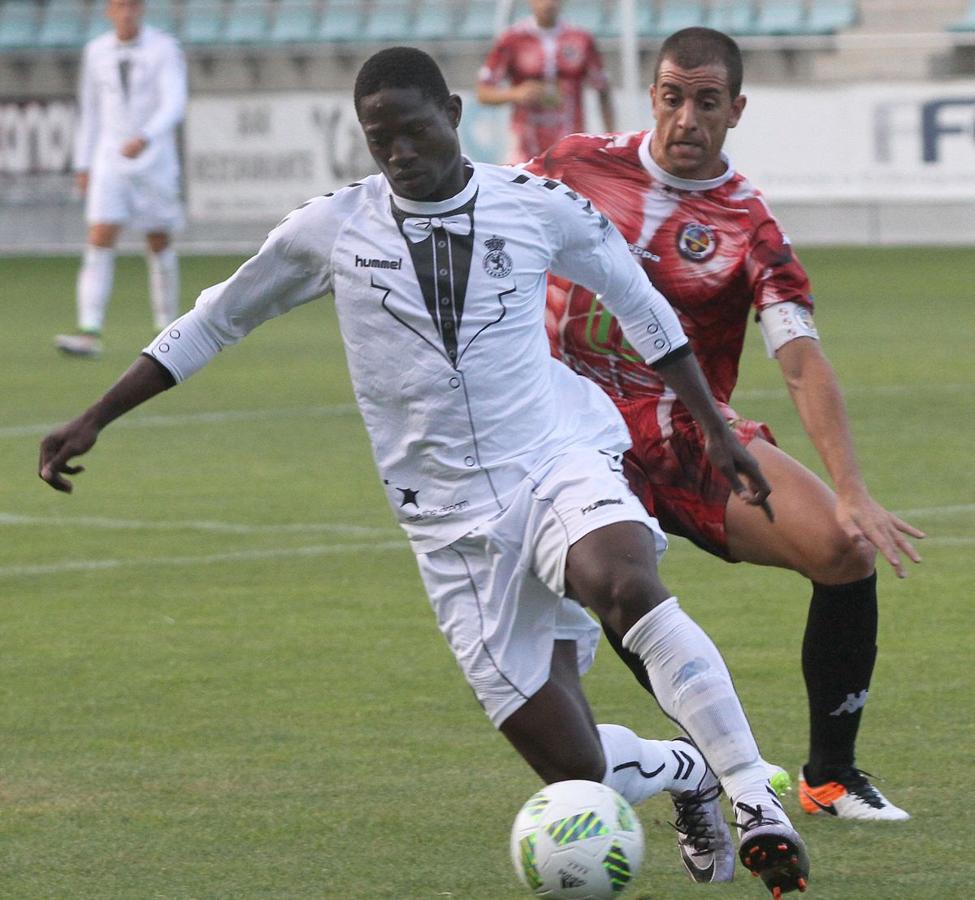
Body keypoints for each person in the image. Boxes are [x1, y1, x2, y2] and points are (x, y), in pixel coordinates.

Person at [39, 47, 810, 894]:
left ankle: (750, 796)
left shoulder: (536, 205)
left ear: (450, 111)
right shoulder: (328, 230)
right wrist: (94, 415)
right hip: (447, 527)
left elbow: (641, 306)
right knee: (577, 774)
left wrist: (717, 430)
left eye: (413, 129)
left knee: (620, 580)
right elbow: (213, 322)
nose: (400, 151)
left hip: (555, 453)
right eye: (380, 139)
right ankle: (681, 771)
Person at [525, 26, 925, 822]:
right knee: (622, 586)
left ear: (735, 109)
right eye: (672, 97)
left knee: (841, 551)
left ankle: (829, 776)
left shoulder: (747, 225)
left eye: (706, 102)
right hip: (572, 440)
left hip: (691, 436)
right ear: (653, 97)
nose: (686, 118)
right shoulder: (568, 167)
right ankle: (710, 768)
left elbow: (801, 359)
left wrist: (851, 490)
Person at [55, 0, 187, 359]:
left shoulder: (163, 48)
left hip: (154, 158)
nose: (126, 12)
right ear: (108, 12)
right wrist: (83, 164)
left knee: (158, 239)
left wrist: (146, 136)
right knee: (100, 234)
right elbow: (91, 110)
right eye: (119, 6)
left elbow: (174, 102)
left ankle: (169, 331)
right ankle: (89, 330)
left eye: (132, 5)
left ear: (141, 9)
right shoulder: (96, 51)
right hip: (110, 158)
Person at [476, 0, 615, 163]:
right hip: (525, 151)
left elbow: (603, 89)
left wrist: (610, 139)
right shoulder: (512, 40)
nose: (548, 3)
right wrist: (515, 94)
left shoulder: (581, 39)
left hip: (571, 150)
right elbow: (483, 93)